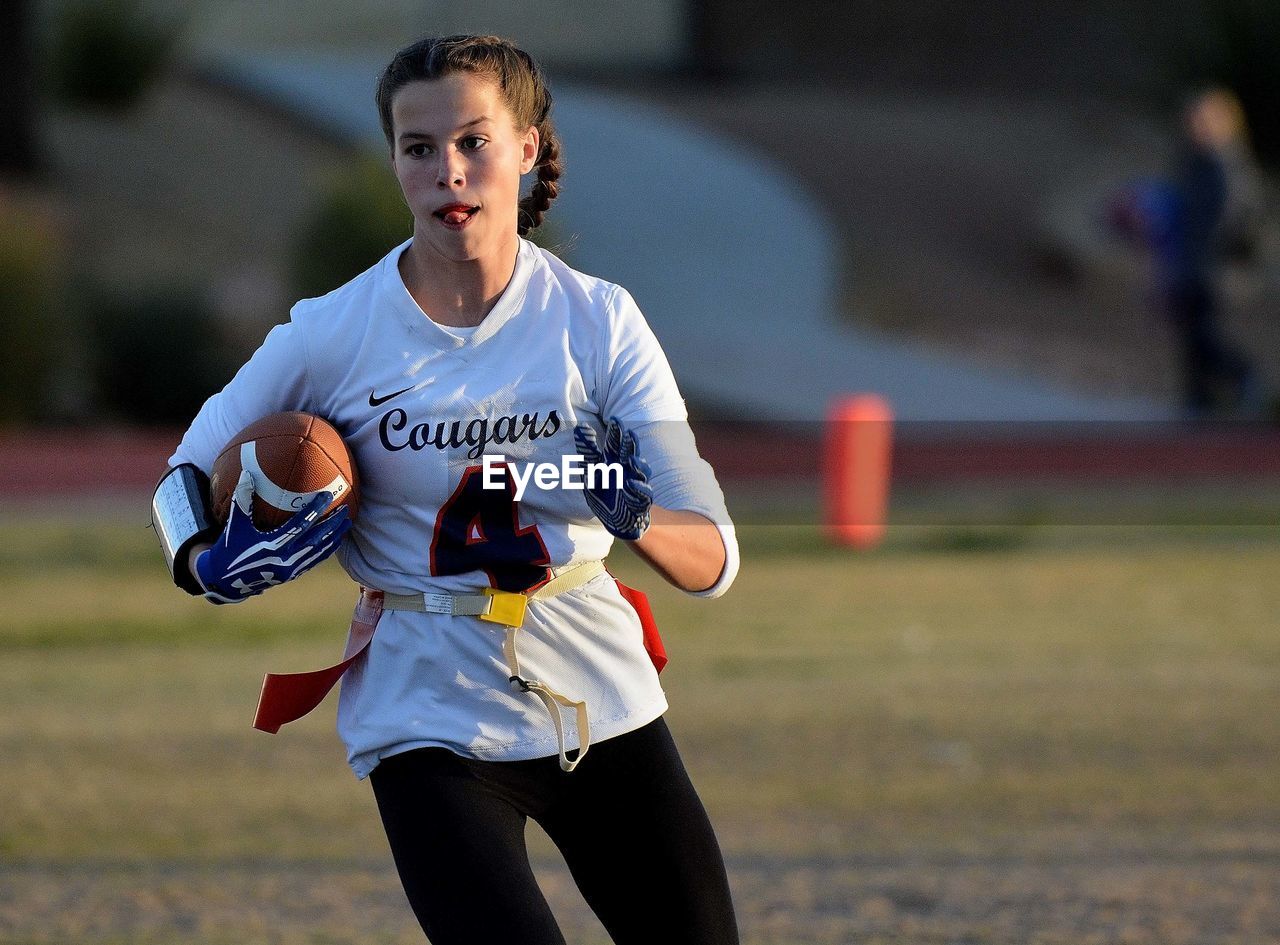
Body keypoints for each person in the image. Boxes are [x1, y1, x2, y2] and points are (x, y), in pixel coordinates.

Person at [149, 34, 741, 945]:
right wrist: (208, 562)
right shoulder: (332, 333)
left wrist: (636, 517)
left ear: (529, 147)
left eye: (474, 141)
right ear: (393, 159)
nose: (448, 172)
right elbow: (185, 473)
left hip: (594, 689)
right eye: (418, 148)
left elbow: (713, 557)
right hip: (424, 709)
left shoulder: (599, 320)